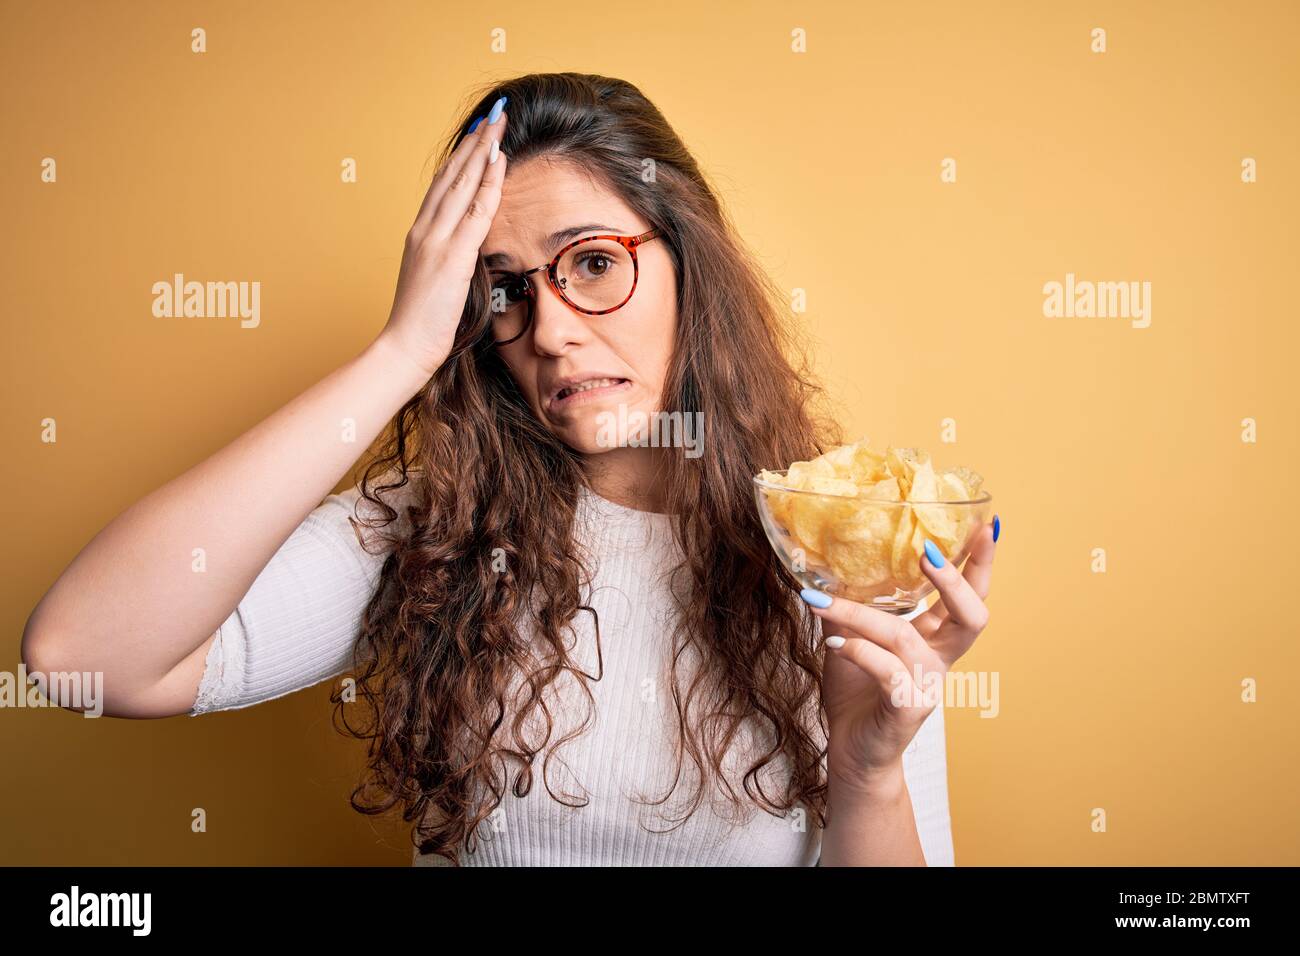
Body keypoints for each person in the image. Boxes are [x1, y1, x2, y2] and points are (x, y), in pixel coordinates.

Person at [22, 72, 997, 866]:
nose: (553, 334)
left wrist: (869, 775)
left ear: (687, 263)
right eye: (501, 290)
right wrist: (399, 353)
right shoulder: (436, 528)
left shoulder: (836, 545)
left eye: (592, 262)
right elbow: (78, 657)